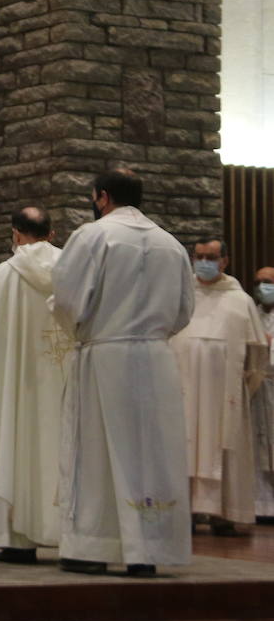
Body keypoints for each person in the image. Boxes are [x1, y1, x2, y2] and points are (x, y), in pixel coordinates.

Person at [51, 169, 193, 577]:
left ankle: (92, 547)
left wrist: (82, 332)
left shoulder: (94, 236)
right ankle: (146, 550)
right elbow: (184, 310)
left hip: (104, 355)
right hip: (156, 358)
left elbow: (68, 299)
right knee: (152, 454)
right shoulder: (171, 244)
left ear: (102, 197)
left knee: (95, 453)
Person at [0, 206, 68, 563]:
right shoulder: (72, 269)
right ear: (52, 234)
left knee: (17, 446)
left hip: (19, 388)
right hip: (65, 384)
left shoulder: (5, 275)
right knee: (64, 449)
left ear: (15, 234)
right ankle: (70, 537)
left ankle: (16, 542)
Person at [171, 238, 269, 534]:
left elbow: (256, 358)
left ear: (224, 261)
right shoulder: (182, 294)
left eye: (210, 256)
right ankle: (183, 512)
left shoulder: (240, 300)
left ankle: (223, 513)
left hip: (224, 394)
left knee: (223, 445)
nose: (203, 261)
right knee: (183, 444)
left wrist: (240, 390)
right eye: (198, 256)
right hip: (183, 389)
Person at [252, 266, 274, 520]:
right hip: (258, 387)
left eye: (267, 282)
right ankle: (261, 506)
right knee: (258, 447)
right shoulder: (251, 313)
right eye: (258, 283)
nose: (262, 288)